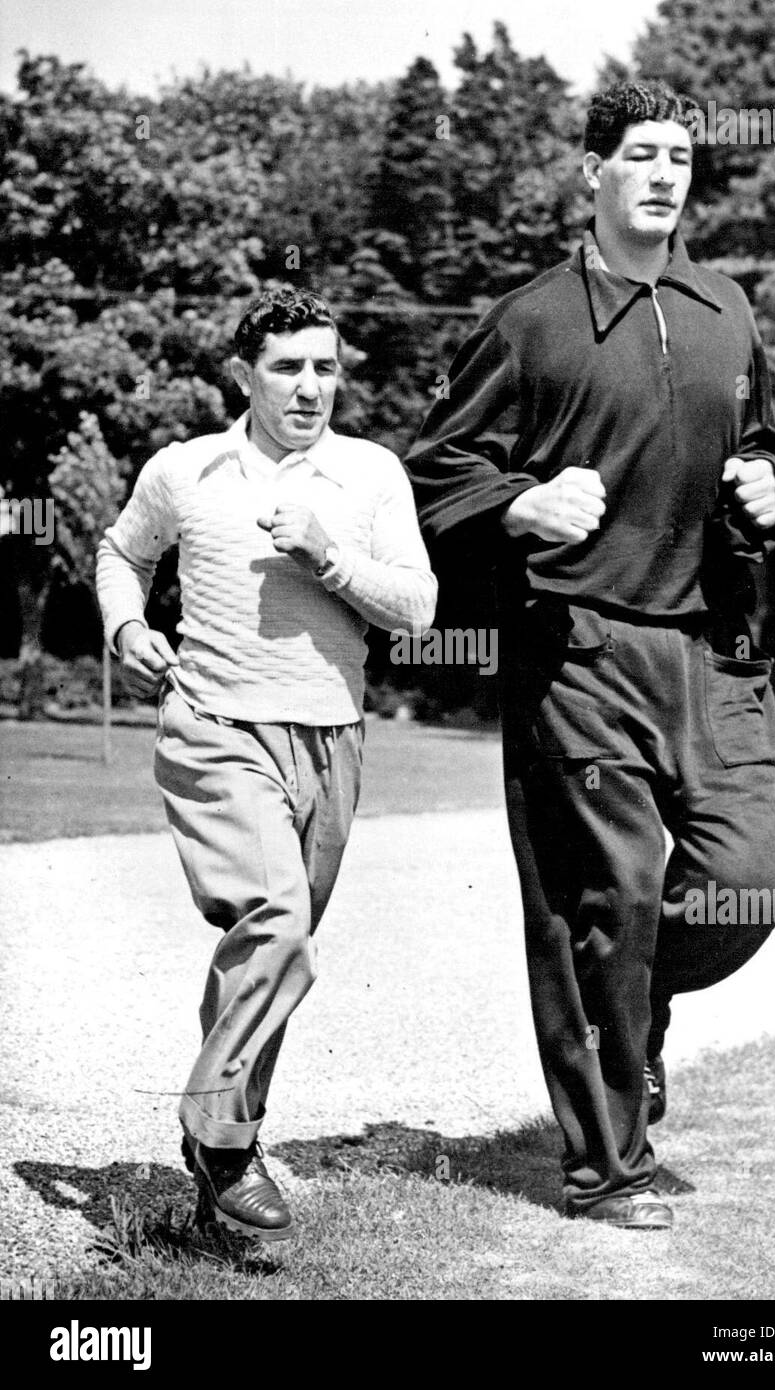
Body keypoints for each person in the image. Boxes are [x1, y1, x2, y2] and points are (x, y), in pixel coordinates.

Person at [404, 81, 775, 1228]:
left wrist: (771, 488)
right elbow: (433, 471)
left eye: (680, 153)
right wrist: (520, 504)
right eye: (639, 153)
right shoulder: (526, 321)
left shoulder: (725, 309)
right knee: (608, 906)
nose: (664, 173)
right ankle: (606, 1169)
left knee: (739, 893)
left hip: (715, 655)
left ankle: (634, 1019)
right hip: (578, 650)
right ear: (591, 171)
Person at [96, 287, 436, 1240]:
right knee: (277, 924)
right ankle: (222, 1138)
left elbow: (416, 608)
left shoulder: (371, 475)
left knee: (266, 962)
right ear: (242, 375)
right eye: (288, 367)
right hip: (213, 724)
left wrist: (330, 557)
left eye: (326, 367)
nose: (310, 386)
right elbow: (119, 554)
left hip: (331, 738)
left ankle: (215, 1185)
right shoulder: (187, 469)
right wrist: (126, 623)